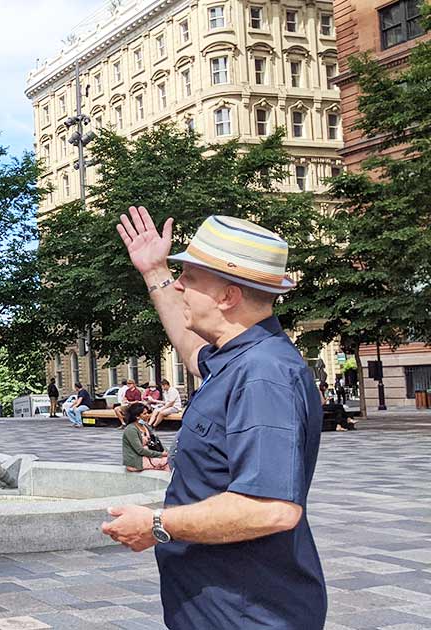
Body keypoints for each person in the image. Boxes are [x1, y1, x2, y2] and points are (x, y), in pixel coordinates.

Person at [104, 209, 326, 629]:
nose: (179, 285)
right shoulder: (237, 358)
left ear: (227, 297)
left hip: (247, 616)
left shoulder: (263, 375)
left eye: (189, 277)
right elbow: (191, 351)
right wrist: (154, 271)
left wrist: (156, 524)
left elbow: (272, 509)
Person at [121, 403, 169, 472]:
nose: (147, 415)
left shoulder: (144, 425)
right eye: (144, 414)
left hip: (149, 456)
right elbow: (140, 450)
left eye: (148, 413)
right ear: (137, 416)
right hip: (138, 461)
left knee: (172, 459)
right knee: (168, 463)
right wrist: (161, 454)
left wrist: (167, 452)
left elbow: (156, 441)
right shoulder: (131, 430)